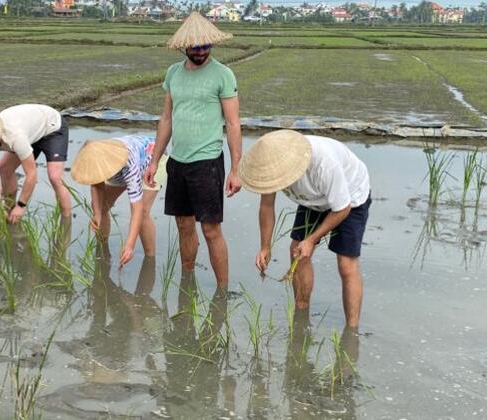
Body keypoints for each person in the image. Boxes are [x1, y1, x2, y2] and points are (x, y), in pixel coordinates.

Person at [143, 12, 242, 288]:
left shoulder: (223, 74)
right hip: (177, 162)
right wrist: (154, 161)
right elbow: (166, 119)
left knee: (210, 230)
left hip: (207, 163)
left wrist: (236, 169)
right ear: (183, 46)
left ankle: (222, 290)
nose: (200, 52)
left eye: (205, 46)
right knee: (183, 225)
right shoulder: (173, 73)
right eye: (195, 47)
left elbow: (233, 124)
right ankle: (188, 281)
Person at [238, 129, 371, 329]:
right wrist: (265, 246)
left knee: (346, 264)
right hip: (314, 200)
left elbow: (342, 209)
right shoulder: (272, 166)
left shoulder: (324, 164)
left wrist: (311, 239)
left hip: (350, 197)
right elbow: (266, 206)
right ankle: (301, 312)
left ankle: (351, 331)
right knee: (297, 253)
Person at [0, 104, 72, 223]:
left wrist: (21, 205)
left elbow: (31, 174)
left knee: (55, 177)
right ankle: (10, 209)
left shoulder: (14, 136)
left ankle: (66, 222)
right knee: (4, 168)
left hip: (51, 127)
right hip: (29, 133)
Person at [70, 135, 167, 267]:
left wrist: (129, 245)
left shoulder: (128, 164)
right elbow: (96, 183)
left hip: (153, 158)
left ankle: (150, 261)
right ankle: (103, 251)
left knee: (143, 212)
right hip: (120, 167)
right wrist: (97, 214)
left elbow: (136, 209)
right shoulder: (98, 158)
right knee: (101, 207)